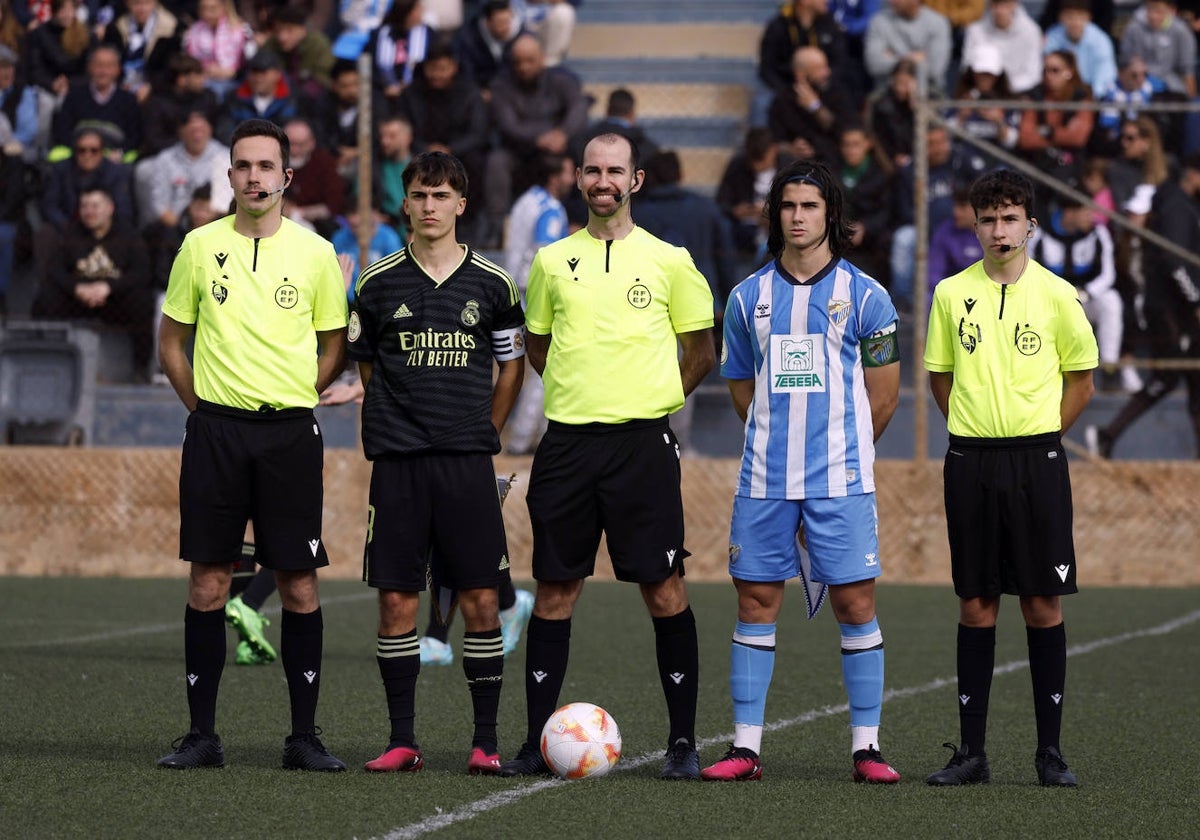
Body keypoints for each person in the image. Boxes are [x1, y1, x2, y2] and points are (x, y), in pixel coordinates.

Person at [497, 132, 716, 781]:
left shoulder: (670, 261)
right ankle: (538, 743)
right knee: (557, 587)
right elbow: (537, 346)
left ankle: (681, 744)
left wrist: (649, 398)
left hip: (642, 444)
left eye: (614, 170)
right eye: (591, 169)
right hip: (566, 445)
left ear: (635, 181)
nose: (601, 180)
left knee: (663, 587)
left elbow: (701, 350)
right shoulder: (550, 259)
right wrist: (578, 389)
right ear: (578, 177)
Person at [155, 118, 349, 772]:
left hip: (290, 435)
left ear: (287, 177)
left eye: (267, 166)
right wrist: (205, 407)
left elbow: (332, 343)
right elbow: (170, 341)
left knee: (298, 582)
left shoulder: (317, 254)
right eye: (243, 166)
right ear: (229, 175)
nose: (255, 177)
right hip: (215, 433)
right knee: (209, 579)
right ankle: (201, 736)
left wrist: (296, 391)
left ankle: (304, 738)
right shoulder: (197, 247)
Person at [701, 158, 901, 784]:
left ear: (830, 215)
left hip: (841, 480)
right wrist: (775, 436)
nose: (797, 216)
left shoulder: (867, 296)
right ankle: (745, 748)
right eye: (787, 206)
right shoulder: (746, 297)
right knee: (757, 601)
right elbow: (740, 387)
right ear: (774, 215)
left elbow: (885, 395)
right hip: (764, 480)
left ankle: (866, 749)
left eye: (809, 206)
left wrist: (845, 452)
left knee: (854, 602)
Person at [347, 151, 525, 775]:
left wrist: (487, 431)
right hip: (397, 463)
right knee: (396, 603)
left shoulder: (495, 285)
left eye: (441, 195)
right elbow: (367, 366)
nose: (429, 206)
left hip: (465, 464)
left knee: (479, 600)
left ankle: (485, 743)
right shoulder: (375, 284)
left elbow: (512, 366)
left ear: (460, 204)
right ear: (406, 202)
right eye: (420, 195)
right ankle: (402, 740)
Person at [924, 168, 1097, 788]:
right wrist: (973, 430)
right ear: (974, 224)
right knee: (976, 604)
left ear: (1030, 223)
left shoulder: (1059, 296)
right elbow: (939, 377)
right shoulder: (949, 294)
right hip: (971, 462)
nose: (1000, 230)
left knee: (1042, 604)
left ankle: (1049, 755)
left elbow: (1082, 380)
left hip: (1037, 464)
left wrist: (1042, 434)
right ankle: (972, 753)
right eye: (989, 219)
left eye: (1010, 218)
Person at [1085, 153, 1200, 458]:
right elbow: (1173, 271)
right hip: (1168, 316)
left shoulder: (1157, 234)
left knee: (1183, 381)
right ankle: (1107, 435)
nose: (1132, 217)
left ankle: (1107, 436)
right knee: (1173, 379)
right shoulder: (1137, 242)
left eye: (1139, 213)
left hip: (1172, 315)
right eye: (1131, 212)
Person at [32, 185, 156, 379]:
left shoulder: (128, 234)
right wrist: (77, 288)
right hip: (78, 299)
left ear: (109, 208)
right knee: (45, 299)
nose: (89, 212)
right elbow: (54, 270)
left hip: (114, 300)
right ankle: (44, 362)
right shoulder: (69, 233)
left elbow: (142, 272)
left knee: (142, 301)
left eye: (95, 206)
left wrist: (108, 287)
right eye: (84, 206)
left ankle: (140, 369)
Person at [503, 149, 573, 456]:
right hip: (534, 295)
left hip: (514, 290)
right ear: (555, 178)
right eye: (569, 172)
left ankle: (524, 438)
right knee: (543, 370)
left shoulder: (525, 200)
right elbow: (544, 254)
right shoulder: (552, 208)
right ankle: (525, 441)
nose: (574, 178)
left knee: (525, 370)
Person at [1029, 186, 1125, 391]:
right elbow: (1028, 273)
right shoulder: (1040, 233)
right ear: (1069, 213)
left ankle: (1109, 368)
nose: (1093, 217)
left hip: (1084, 299)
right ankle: (1042, 371)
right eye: (1086, 212)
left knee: (1112, 300)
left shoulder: (1098, 233)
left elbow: (1108, 275)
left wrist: (1085, 293)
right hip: (1050, 302)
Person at [863, 0, 953, 97]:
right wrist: (912, 59)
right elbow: (873, 65)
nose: (892, 1)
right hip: (886, 96)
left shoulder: (938, 23)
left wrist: (892, 57)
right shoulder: (879, 21)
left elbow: (935, 70)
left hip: (930, 95)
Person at [960, 0, 1042, 96]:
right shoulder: (975, 31)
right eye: (996, 4)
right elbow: (967, 68)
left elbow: (1033, 74)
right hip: (982, 92)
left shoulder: (1032, 31)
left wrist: (1004, 89)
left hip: (1019, 94)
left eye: (1004, 4)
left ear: (1015, 4)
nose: (999, 10)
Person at [1042, 0, 1117, 98]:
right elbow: (1047, 70)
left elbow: (1105, 78)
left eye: (1080, 16)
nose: (1075, 22)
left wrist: (1090, 99)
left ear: (1088, 17)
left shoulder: (1101, 41)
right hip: (1059, 95)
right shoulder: (1052, 37)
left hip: (1091, 98)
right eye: (1069, 16)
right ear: (1061, 17)